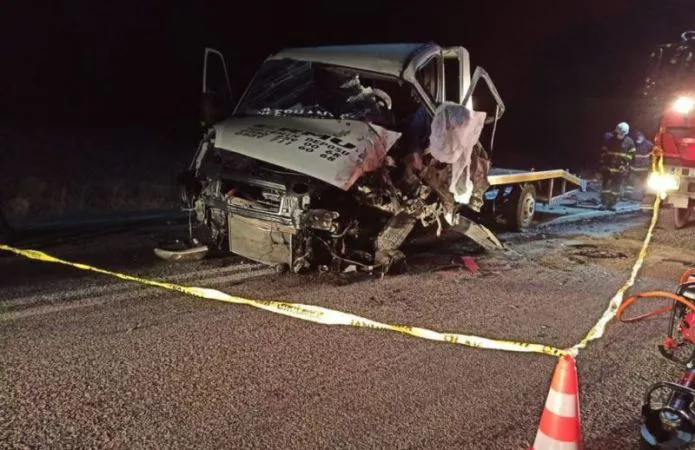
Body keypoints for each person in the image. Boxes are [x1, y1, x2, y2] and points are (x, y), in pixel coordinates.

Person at [600, 122, 636, 210]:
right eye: (618, 132)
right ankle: (604, 204)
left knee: (616, 188)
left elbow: (632, 156)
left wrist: (626, 166)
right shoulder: (610, 140)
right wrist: (603, 164)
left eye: (622, 133)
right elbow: (604, 152)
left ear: (626, 133)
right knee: (606, 187)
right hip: (608, 168)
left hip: (620, 169)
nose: (620, 134)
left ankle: (612, 204)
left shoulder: (629, 142)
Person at [625, 131, 654, 201]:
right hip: (633, 167)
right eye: (637, 138)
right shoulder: (632, 144)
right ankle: (627, 195)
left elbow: (654, 153)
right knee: (630, 182)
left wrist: (650, 162)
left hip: (643, 168)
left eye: (640, 137)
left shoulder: (649, 144)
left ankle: (641, 196)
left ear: (643, 137)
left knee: (642, 182)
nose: (638, 139)